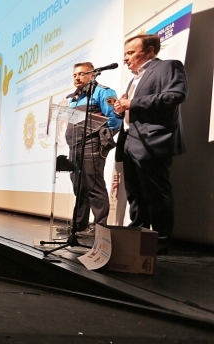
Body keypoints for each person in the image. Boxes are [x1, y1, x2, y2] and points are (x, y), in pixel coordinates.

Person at [114, 34, 187, 250]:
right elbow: (133, 109)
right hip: (130, 140)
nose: (126, 58)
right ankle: (138, 235)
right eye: (125, 54)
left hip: (154, 141)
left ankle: (161, 240)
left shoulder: (168, 67)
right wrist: (121, 109)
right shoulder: (133, 78)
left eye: (130, 53)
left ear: (150, 50)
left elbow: (176, 95)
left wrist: (133, 103)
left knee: (156, 193)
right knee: (135, 194)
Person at [63, 62, 121, 233]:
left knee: (94, 185)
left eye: (81, 74)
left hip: (92, 144)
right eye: (74, 75)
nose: (77, 78)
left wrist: (100, 137)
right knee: (78, 186)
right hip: (75, 146)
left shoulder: (103, 92)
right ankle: (79, 225)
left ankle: (100, 227)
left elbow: (115, 118)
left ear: (92, 74)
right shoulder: (73, 98)